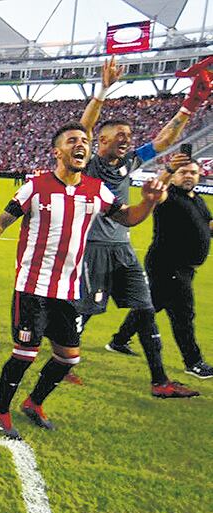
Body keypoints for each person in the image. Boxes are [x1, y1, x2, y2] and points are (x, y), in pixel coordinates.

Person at [0, 123, 167, 440]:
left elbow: (127, 217)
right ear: (57, 152)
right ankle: (0, 411)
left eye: (84, 140)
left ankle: (33, 403)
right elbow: (1, 220)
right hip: (33, 287)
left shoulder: (96, 190)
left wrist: (149, 202)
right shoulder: (35, 187)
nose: (81, 144)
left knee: (68, 357)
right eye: (72, 140)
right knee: (25, 354)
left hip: (69, 290)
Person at [73, 56, 205, 397]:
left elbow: (162, 141)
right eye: (119, 135)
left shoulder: (130, 162)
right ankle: (64, 361)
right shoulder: (89, 164)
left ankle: (160, 381)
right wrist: (103, 90)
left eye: (129, 136)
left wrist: (189, 107)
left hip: (123, 247)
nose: (126, 139)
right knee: (85, 310)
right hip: (93, 248)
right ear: (100, 141)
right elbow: (84, 129)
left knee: (145, 309)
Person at [111, 155, 212, 379]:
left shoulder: (197, 199)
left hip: (183, 268)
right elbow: (157, 190)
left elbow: (208, 224)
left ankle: (118, 340)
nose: (188, 176)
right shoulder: (168, 195)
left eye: (193, 172)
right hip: (168, 266)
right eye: (183, 172)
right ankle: (193, 362)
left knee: (151, 305)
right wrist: (168, 170)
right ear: (175, 176)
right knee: (183, 314)